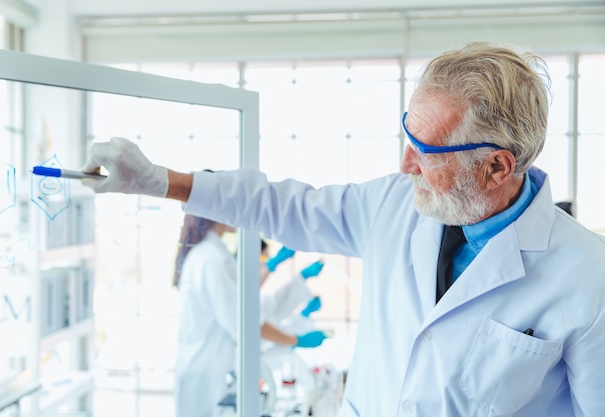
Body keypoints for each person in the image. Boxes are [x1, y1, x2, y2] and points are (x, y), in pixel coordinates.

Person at [81, 41, 605, 416]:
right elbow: (285, 205)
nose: (405, 165)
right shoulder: (394, 204)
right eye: (408, 135)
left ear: (496, 167)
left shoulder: (587, 274)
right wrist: (160, 182)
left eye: (428, 151)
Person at [171, 213, 327, 417]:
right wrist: (297, 339)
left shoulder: (212, 254)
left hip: (205, 368)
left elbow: (250, 304)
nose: (238, 215)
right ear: (215, 211)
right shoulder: (214, 260)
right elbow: (245, 323)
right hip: (209, 375)